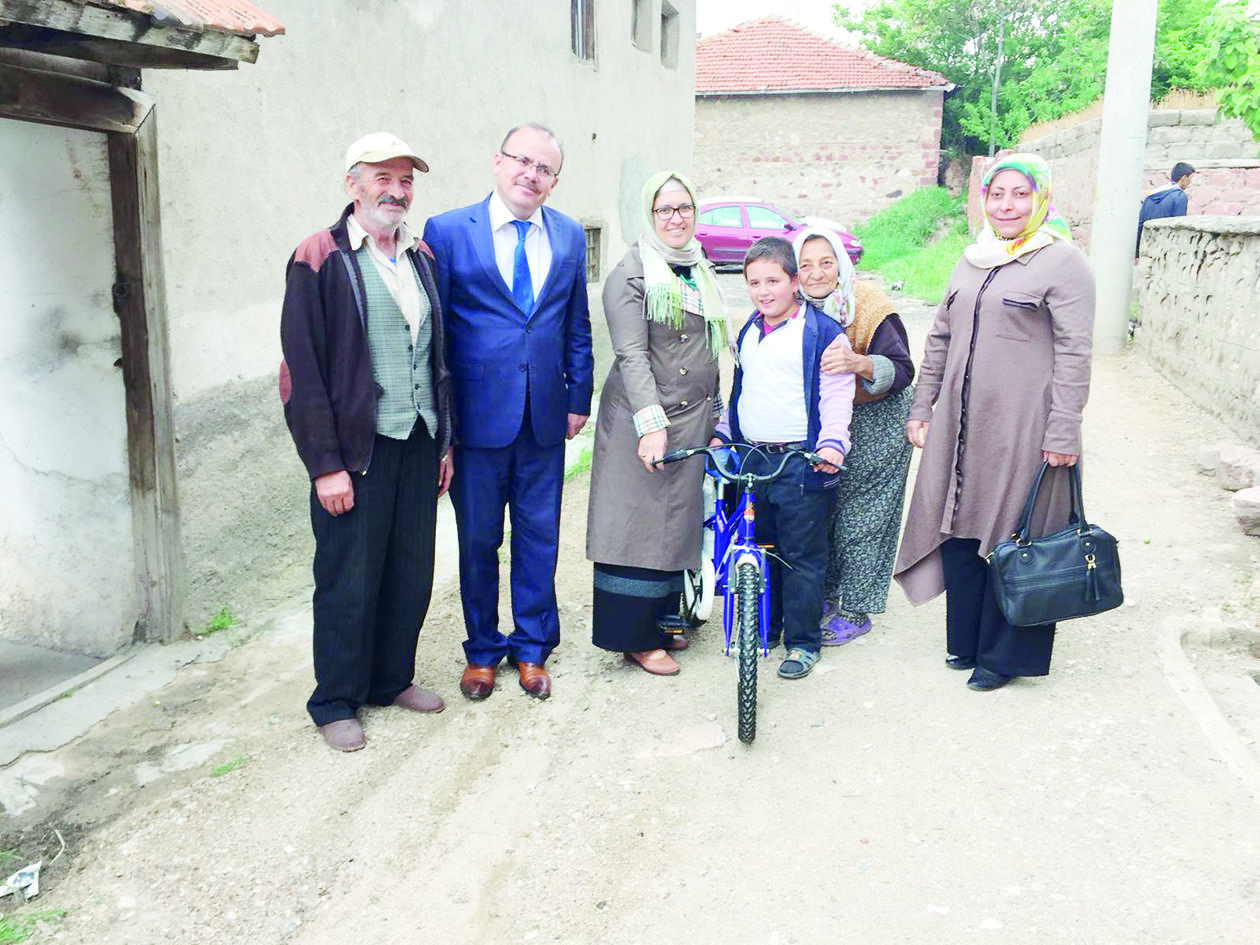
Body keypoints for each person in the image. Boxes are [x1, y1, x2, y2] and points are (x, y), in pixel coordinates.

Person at [280, 132, 454, 752]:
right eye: (383, 177)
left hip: (418, 438)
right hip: (356, 449)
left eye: (406, 180)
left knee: (410, 570)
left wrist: (444, 442)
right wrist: (324, 465)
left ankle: (390, 678)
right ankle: (334, 699)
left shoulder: (421, 257)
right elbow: (301, 369)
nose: (396, 190)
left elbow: (436, 356)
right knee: (348, 574)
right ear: (352, 184)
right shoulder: (319, 255)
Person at [894, 153, 1094, 692]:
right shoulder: (972, 259)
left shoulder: (1063, 262)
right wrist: (922, 406)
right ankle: (965, 641)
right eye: (997, 194)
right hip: (961, 425)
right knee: (959, 524)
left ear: (1040, 198)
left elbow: (1076, 353)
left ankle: (1004, 656)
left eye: (1019, 194)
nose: (1007, 205)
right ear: (984, 200)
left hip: (1023, 428)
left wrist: (1063, 429)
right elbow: (939, 339)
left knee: (1015, 534)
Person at [423, 124, 594, 701]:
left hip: (544, 416)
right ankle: (481, 651)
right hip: (476, 420)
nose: (532, 174)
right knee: (477, 539)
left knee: (539, 536)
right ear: (497, 162)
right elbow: (436, 335)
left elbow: (576, 324)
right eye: (523, 161)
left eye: (545, 169)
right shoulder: (446, 232)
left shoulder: (569, 236)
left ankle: (531, 647)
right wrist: (442, 424)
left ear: (554, 181)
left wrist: (578, 397)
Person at [585, 172, 727, 676]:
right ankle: (636, 639)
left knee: (676, 528)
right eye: (665, 209)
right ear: (649, 215)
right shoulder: (631, 273)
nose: (676, 217)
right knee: (636, 530)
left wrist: (716, 412)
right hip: (643, 421)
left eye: (684, 207)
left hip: (690, 419)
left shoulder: (697, 267)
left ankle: (667, 626)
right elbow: (631, 354)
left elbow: (710, 348)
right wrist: (652, 425)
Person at [711, 237, 853, 680]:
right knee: (760, 547)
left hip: (800, 462)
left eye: (773, 280)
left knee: (803, 556)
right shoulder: (750, 329)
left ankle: (803, 643)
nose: (763, 291)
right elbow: (743, 389)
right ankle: (764, 630)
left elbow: (835, 394)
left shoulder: (822, 332)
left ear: (795, 282)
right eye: (754, 283)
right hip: (752, 460)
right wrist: (724, 434)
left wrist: (832, 443)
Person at [792, 228, 915, 647]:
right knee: (822, 508)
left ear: (842, 264)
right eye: (805, 264)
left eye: (826, 262)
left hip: (878, 417)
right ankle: (825, 592)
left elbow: (902, 368)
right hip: (826, 420)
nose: (815, 273)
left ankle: (856, 608)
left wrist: (859, 362)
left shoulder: (869, 305)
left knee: (864, 517)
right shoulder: (792, 309)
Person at [1136, 161, 1194, 256]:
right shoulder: (1179, 197)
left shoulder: (1150, 196)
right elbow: (1178, 226)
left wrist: (1137, 251)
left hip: (1148, 246)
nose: (1190, 182)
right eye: (1190, 178)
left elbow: (1140, 223)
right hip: (1166, 249)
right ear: (1184, 178)